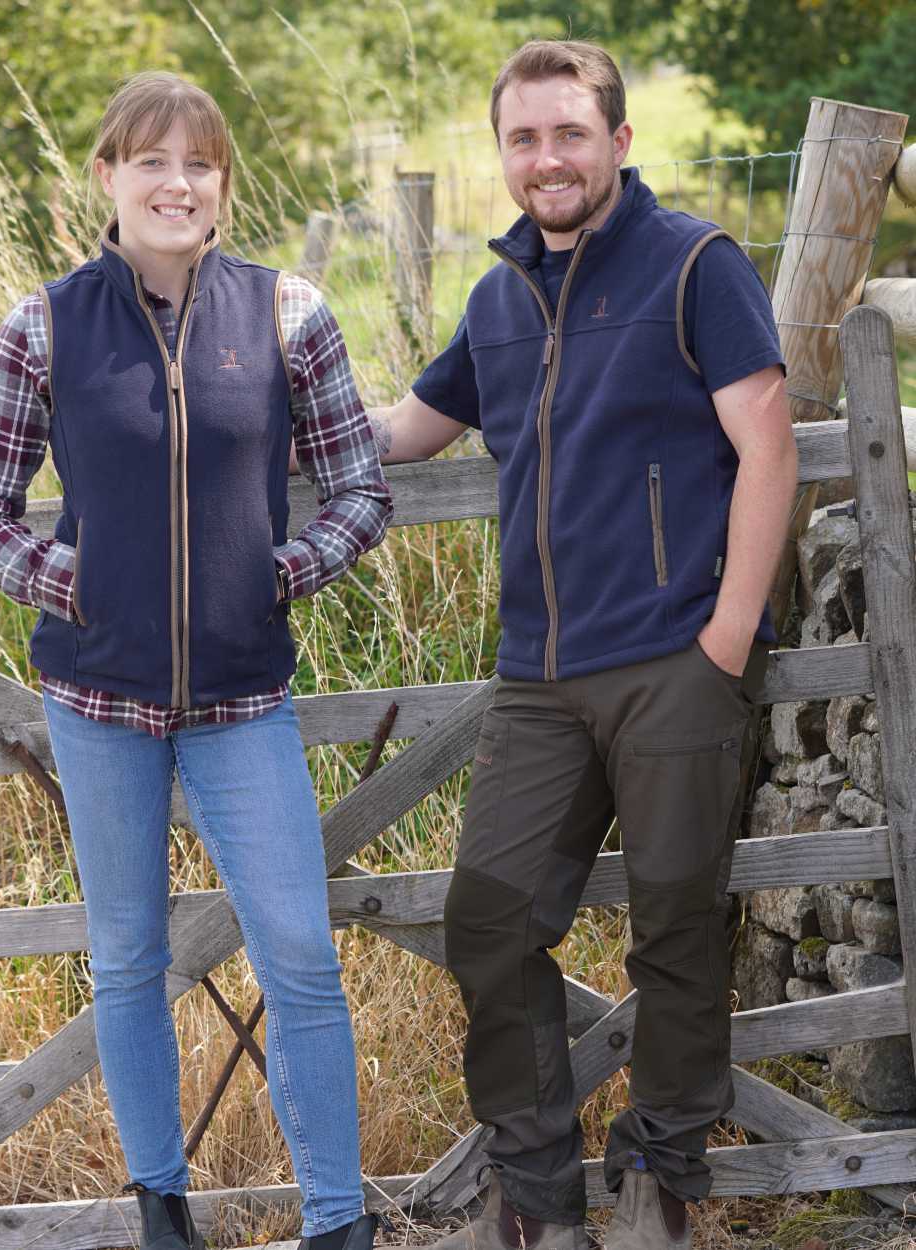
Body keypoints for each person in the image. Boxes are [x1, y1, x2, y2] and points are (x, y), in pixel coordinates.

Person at [0, 71, 393, 1250]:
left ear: (223, 183)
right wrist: (72, 579)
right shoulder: (45, 325)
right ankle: (162, 1210)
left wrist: (282, 571)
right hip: (96, 699)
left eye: (200, 163)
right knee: (128, 959)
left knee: (299, 951)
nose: (176, 183)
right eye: (151, 161)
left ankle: (337, 1222)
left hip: (245, 699)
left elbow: (359, 485)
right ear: (107, 176)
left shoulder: (287, 311)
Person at [371, 39, 798, 1250]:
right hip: (540, 679)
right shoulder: (498, 298)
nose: (546, 158)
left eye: (569, 133)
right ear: (502, 154)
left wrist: (726, 633)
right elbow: (408, 426)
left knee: (674, 924)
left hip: (675, 661)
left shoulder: (695, 264)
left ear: (616, 140)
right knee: (489, 919)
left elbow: (767, 443)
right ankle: (536, 1197)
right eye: (524, 138)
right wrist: (264, 413)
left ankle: (660, 1177)